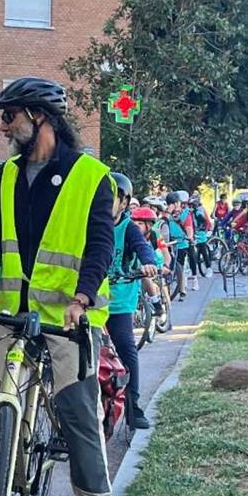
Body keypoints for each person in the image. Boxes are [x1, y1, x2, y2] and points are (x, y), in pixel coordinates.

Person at [0, 76, 119, 496]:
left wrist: (82, 299)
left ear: (39, 116)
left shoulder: (91, 176)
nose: (2, 125)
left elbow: (101, 246)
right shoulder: (8, 173)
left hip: (69, 317)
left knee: (78, 412)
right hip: (13, 313)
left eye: (9, 115)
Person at [106, 173, 160, 431]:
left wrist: (148, 263)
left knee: (127, 349)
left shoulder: (128, 228)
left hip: (118, 304)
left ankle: (133, 405)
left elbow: (142, 246)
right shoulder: (91, 224)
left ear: (124, 203)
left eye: (111, 197)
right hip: (90, 302)